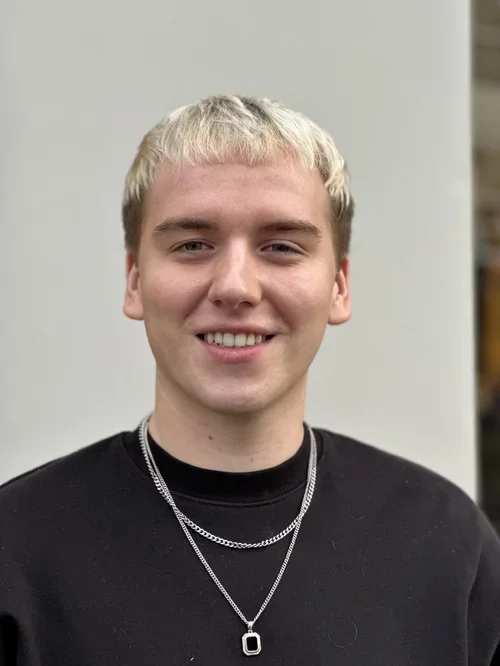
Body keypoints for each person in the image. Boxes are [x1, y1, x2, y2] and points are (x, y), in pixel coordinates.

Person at [1, 95, 499, 665]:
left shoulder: (445, 541)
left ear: (339, 285)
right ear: (134, 279)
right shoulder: (17, 549)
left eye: (281, 247)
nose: (236, 286)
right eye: (192, 245)